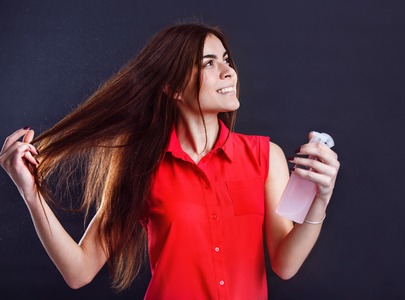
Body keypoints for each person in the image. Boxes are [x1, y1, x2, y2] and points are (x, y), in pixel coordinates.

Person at [0, 23, 340, 299]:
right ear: (173, 89)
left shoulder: (267, 157)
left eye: (226, 59)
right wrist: (31, 193)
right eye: (209, 63)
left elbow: (284, 264)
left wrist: (319, 201)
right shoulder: (141, 167)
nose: (229, 72)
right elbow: (79, 271)